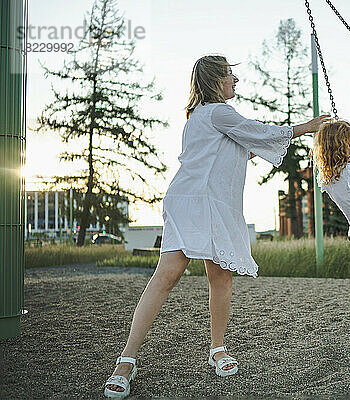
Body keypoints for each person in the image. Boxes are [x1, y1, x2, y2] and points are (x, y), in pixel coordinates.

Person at [103, 55, 330, 398]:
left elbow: (243, 148)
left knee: (220, 276)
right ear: (214, 81)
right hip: (193, 202)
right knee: (167, 277)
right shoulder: (216, 112)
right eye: (229, 76)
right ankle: (126, 359)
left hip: (215, 205)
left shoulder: (207, 117)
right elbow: (261, 132)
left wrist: (273, 141)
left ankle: (218, 349)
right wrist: (305, 127)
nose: (235, 82)